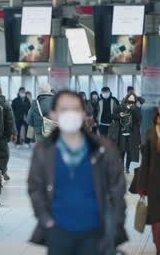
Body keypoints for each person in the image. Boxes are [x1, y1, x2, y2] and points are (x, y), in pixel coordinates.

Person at [28, 90, 127, 255]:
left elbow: (117, 189)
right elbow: (35, 188)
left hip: (95, 231)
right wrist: (46, 220)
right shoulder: (44, 150)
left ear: (83, 113)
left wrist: (115, 224)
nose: (70, 114)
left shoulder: (104, 148)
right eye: (64, 109)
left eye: (74, 109)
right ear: (53, 114)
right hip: (58, 231)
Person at [138, 110, 160, 254]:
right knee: (156, 219)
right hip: (154, 182)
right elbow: (145, 161)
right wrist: (142, 186)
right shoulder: (151, 132)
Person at [108, 93, 141, 174]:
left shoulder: (136, 108)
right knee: (121, 151)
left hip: (131, 133)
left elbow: (139, 118)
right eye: (130, 98)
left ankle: (127, 167)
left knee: (129, 151)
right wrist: (119, 115)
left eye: (133, 99)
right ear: (126, 98)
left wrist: (133, 109)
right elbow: (113, 116)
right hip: (121, 132)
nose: (131, 100)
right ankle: (121, 167)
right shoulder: (121, 107)